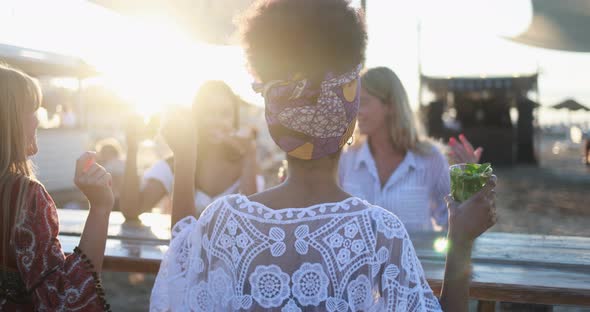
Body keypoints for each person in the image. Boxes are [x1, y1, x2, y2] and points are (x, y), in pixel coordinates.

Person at [150, 1, 497, 311]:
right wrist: (461, 241)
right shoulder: (378, 232)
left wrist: (185, 156)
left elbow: (179, 271)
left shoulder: (223, 222)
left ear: (274, 120)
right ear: (348, 120)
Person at [0, 64, 114, 310]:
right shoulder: (22, 198)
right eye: (32, 110)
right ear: (8, 120)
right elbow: (64, 300)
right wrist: (100, 208)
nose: (38, 119)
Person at [339, 67, 481, 231]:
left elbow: (452, 223)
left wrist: (469, 182)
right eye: (354, 103)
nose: (355, 111)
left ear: (390, 105)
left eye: (362, 102)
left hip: (415, 257)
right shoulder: (346, 158)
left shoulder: (430, 158)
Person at [120, 81, 263, 220]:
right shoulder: (173, 164)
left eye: (225, 114)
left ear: (234, 120)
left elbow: (251, 219)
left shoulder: (246, 165)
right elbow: (131, 211)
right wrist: (132, 148)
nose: (216, 120)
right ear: (195, 116)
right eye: (208, 112)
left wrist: (249, 155)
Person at [95, 138, 125, 209]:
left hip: (116, 199)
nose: (102, 154)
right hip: (116, 198)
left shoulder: (115, 164)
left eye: (104, 152)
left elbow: (117, 182)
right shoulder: (118, 163)